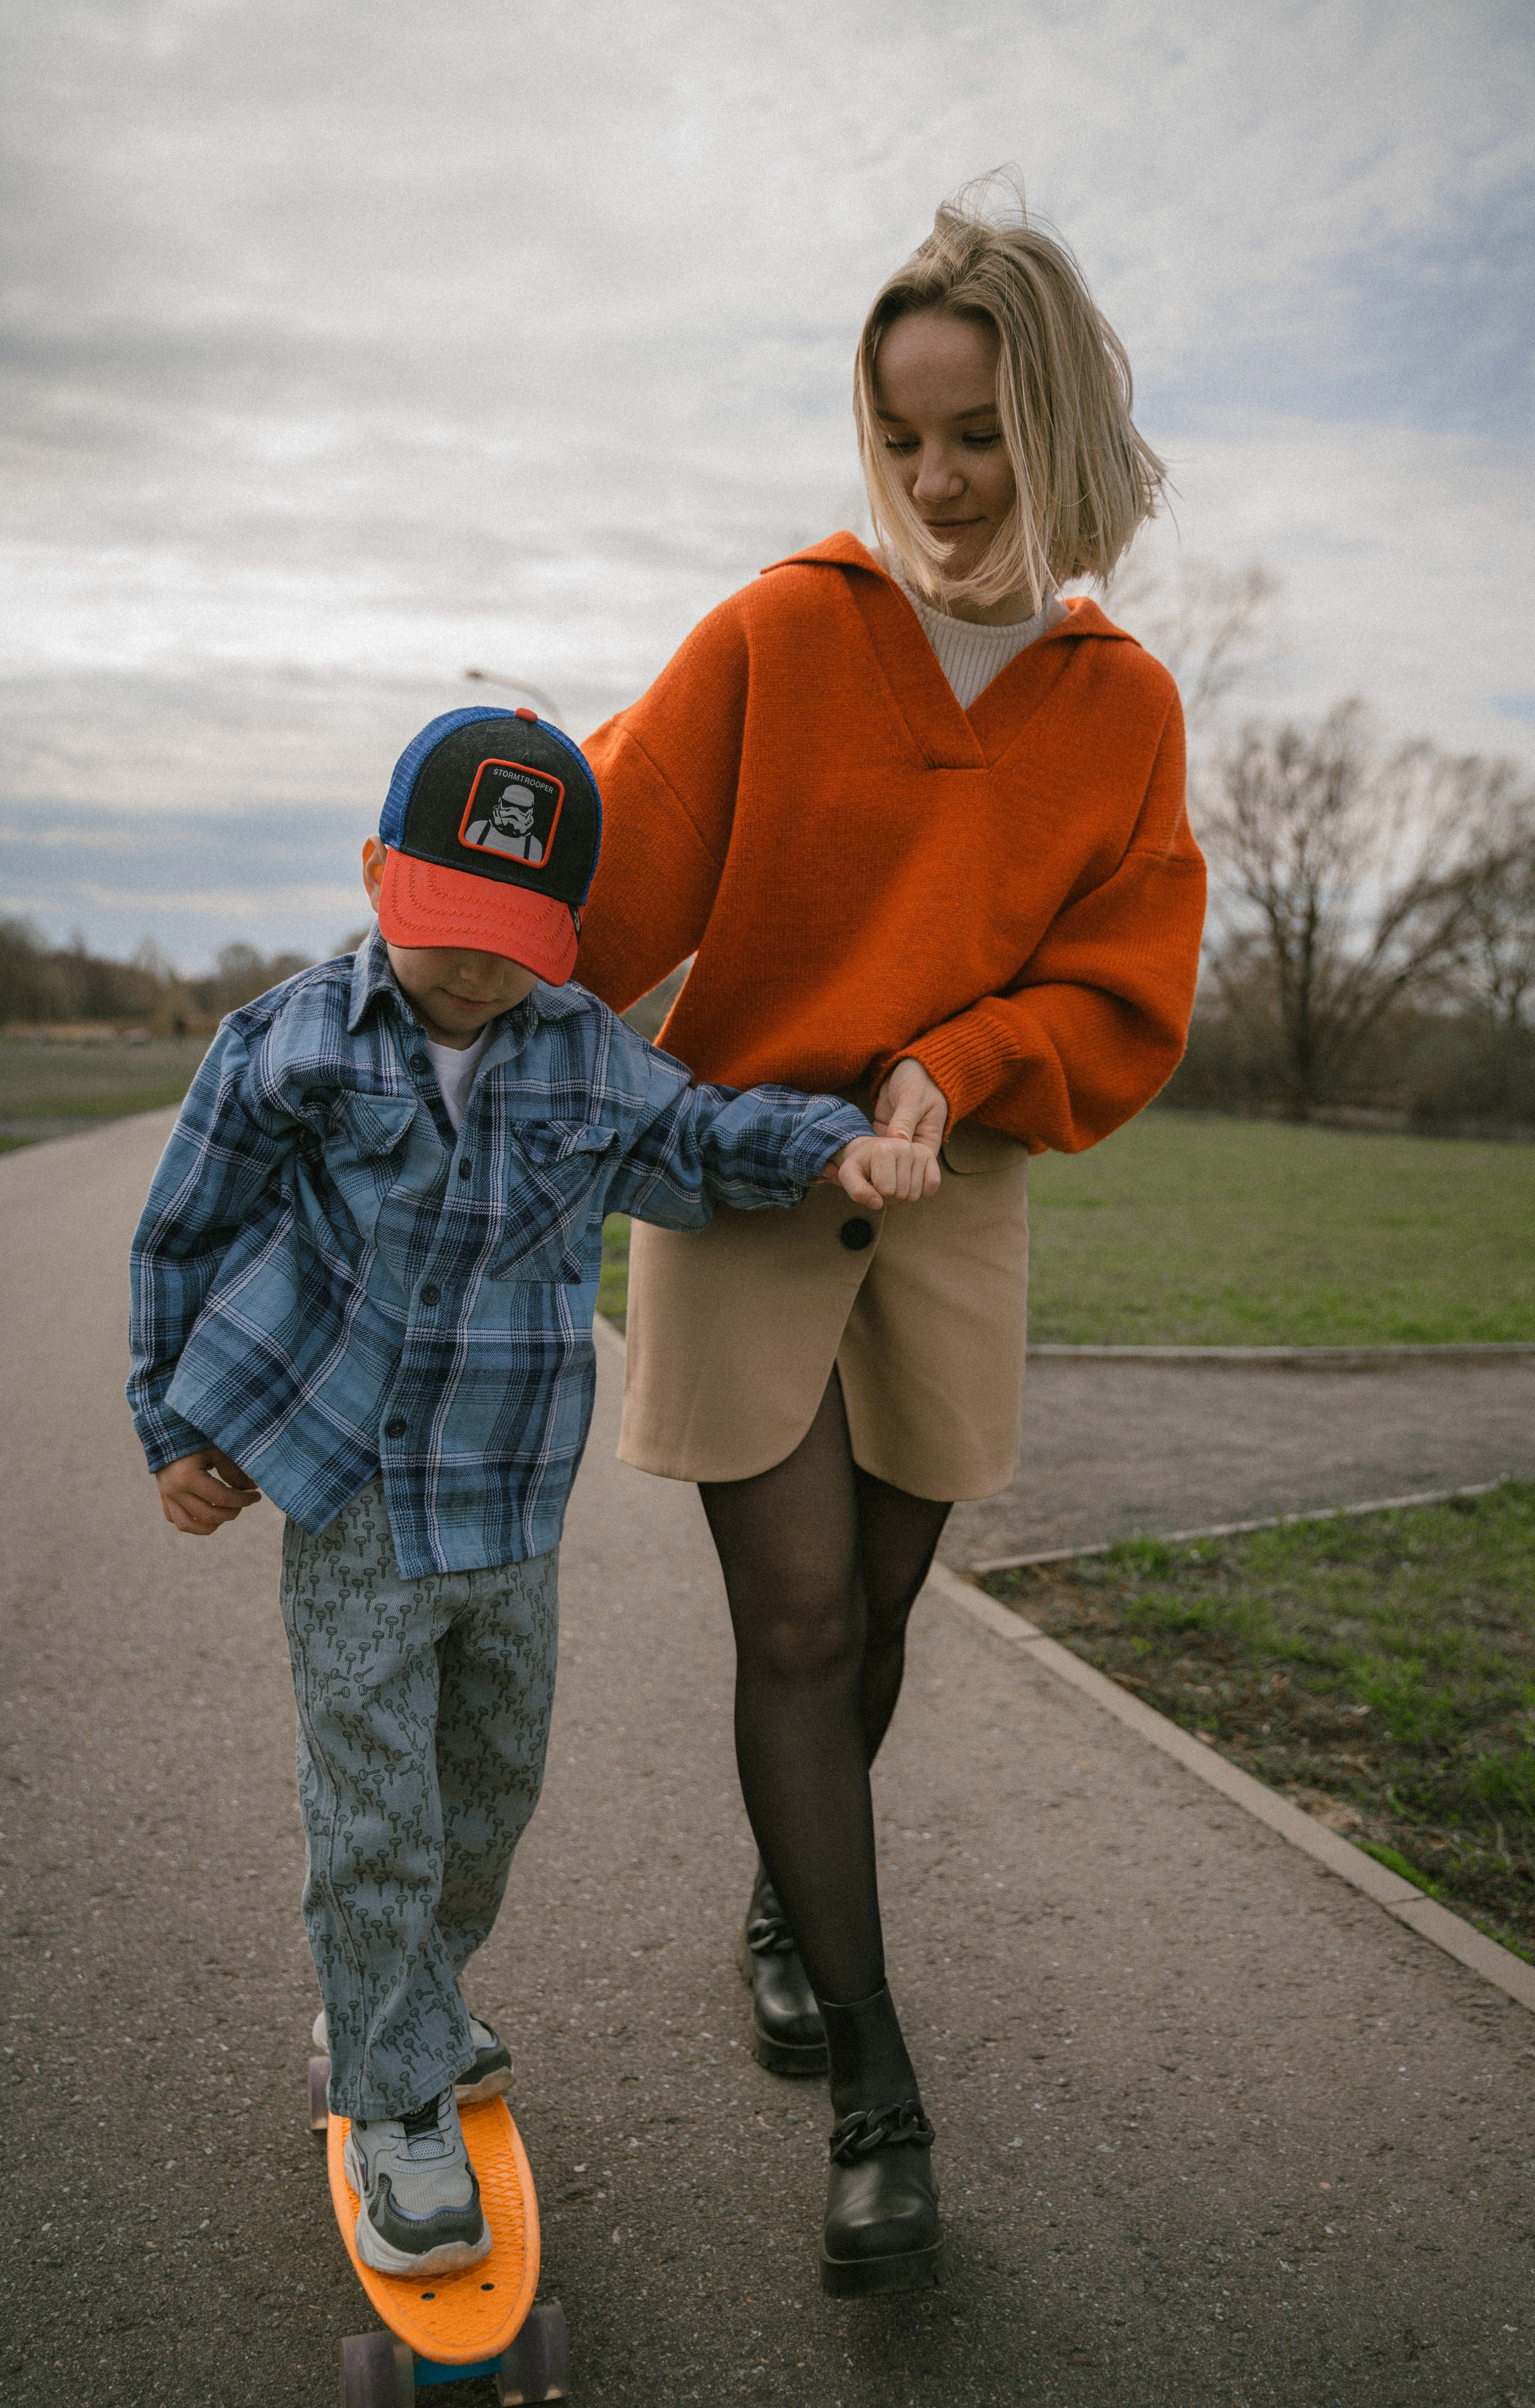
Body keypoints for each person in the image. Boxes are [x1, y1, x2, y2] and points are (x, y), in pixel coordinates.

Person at [573, 181, 1208, 2296]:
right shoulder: (777, 629)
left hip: (955, 1191)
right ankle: (879, 2090)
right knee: (799, 1626)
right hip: (749, 1187)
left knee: (889, 1616)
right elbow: (597, 882)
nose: (935, 481)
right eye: (904, 433)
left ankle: (783, 1895)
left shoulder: (1121, 701)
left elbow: (1126, 983)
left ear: (1058, 425)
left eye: (978, 435)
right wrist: (453, 865)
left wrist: (960, 1057)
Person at [126, 705, 937, 2281]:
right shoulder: (285, 1044)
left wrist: (829, 1145)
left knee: (486, 1802)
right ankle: (396, 2097)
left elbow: (698, 1139)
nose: (474, 970)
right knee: (377, 1813)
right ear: (377, 872)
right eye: (443, 927)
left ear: (564, 931)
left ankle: (394, 1992)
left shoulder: (577, 1051)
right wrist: (174, 1430)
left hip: (508, 1508)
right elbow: (181, 1229)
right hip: (349, 1497)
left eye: (513, 940)